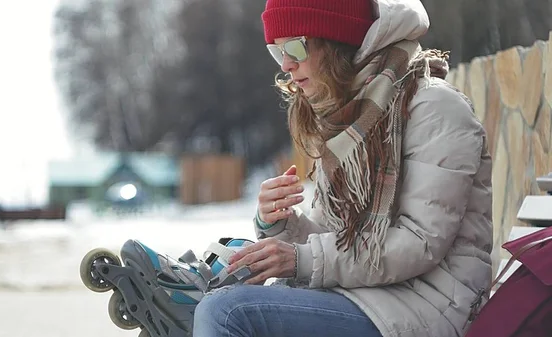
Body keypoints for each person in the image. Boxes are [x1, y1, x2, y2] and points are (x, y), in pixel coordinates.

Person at [193, 0, 493, 336]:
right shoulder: (348, 117)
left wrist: (298, 259)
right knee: (227, 273)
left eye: (296, 46)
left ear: (337, 39)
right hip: (368, 296)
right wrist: (280, 226)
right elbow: (336, 239)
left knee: (227, 311)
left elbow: (418, 244)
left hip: (428, 307)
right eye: (278, 52)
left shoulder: (436, 109)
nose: (287, 65)